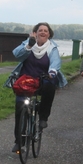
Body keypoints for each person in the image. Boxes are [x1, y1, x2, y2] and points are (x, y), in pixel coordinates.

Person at [9, 22, 68, 153]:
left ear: (49, 34)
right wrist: (29, 45)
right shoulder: (27, 44)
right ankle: (19, 142)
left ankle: (43, 118)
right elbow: (17, 55)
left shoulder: (52, 48)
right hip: (26, 81)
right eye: (40, 30)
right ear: (35, 33)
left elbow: (55, 62)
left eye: (45, 31)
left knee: (50, 87)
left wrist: (52, 71)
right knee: (19, 108)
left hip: (43, 80)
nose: (42, 32)